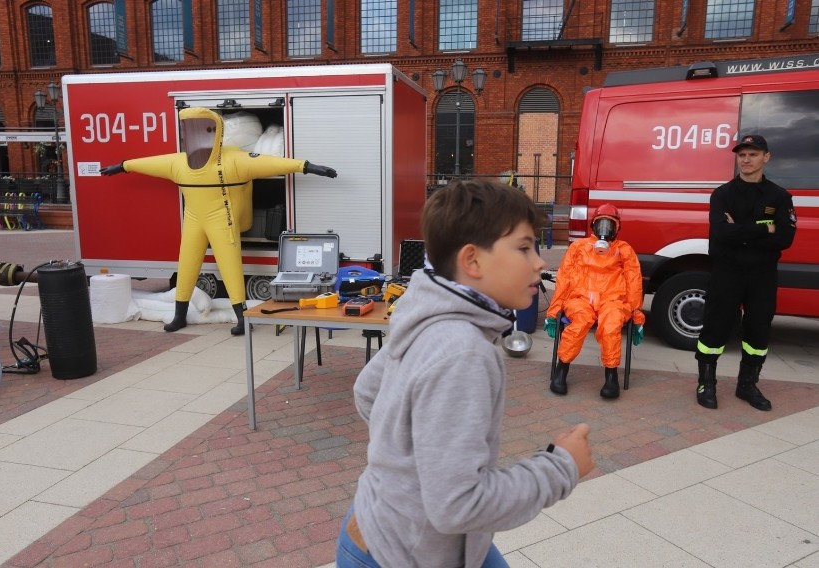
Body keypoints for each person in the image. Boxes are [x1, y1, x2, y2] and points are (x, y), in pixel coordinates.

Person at [336, 179, 594, 568]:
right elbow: (458, 505)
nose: (540, 262)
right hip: (400, 555)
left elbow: (369, 392)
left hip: (382, 526)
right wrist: (563, 466)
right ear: (472, 261)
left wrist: (413, 457)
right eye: (524, 248)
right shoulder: (463, 351)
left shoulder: (422, 309)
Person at [100, 107, 336, 335]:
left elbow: (273, 163)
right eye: (189, 130)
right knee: (186, 268)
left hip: (221, 221)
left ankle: (243, 319)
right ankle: (180, 315)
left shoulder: (234, 160)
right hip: (194, 221)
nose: (193, 136)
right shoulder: (179, 162)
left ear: (216, 132)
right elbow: (148, 163)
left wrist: (308, 167)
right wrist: (123, 166)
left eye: (202, 130)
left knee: (231, 268)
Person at [695, 134, 797, 411]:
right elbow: (721, 233)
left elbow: (785, 239)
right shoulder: (723, 194)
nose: (747, 159)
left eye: (753, 154)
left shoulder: (779, 196)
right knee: (716, 327)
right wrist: (764, 227)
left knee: (758, 330)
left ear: (766, 157)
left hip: (762, 275)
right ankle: (707, 383)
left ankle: (747, 385)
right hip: (727, 272)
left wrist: (739, 229)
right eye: (742, 155)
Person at [544, 203, 644, 399]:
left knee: (611, 325)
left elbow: (634, 283)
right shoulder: (579, 247)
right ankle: (561, 369)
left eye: (610, 225)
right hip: (580, 299)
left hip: (613, 300)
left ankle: (611, 375)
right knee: (579, 323)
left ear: (617, 228)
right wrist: (553, 313)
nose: (604, 231)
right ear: (593, 226)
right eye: (600, 225)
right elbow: (564, 280)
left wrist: (637, 316)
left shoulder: (624, 250)